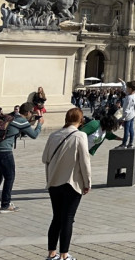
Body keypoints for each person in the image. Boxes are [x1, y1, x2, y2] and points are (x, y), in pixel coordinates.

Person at [42, 107, 92, 260]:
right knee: (68, 218)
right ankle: (64, 255)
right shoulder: (80, 136)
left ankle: (51, 254)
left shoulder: (54, 135)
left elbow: (45, 158)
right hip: (71, 182)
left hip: (54, 182)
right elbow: (84, 161)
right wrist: (87, 182)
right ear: (80, 120)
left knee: (56, 217)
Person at [0, 101, 43, 213]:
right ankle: (5, 205)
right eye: (32, 113)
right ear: (28, 112)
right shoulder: (21, 121)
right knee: (9, 177)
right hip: (4, 152)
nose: (32, 115)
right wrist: (39, 124)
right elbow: (34, 135)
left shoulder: (10, 117)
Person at [117, 79, 135, 148]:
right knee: (131, 129)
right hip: (132, 115)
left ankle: (124, 144)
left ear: (130, 89)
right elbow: (125, 89)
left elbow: (126, 110)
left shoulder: (128, 98)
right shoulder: (133, 94)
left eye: (128, 88)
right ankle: (131, 143)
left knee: (126, 131)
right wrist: (122, 82)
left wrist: (123, 118)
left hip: (127, 116)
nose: (126, 89)